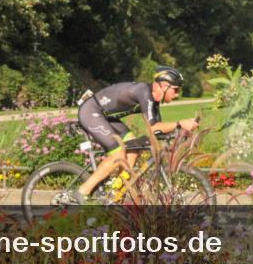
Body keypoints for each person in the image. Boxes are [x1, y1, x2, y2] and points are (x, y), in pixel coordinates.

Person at [74, 66, 198, 201]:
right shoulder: (144, 93)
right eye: (175, 90)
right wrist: (180, 123)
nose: (177, 94)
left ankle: (114, 194)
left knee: (134, 146)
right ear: (163, 86)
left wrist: (178, 132)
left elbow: (158, 130)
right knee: (119, 154)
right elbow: (153, 128)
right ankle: (82, 192)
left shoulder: (153, 101)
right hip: (91, 111)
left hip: (106, 116)